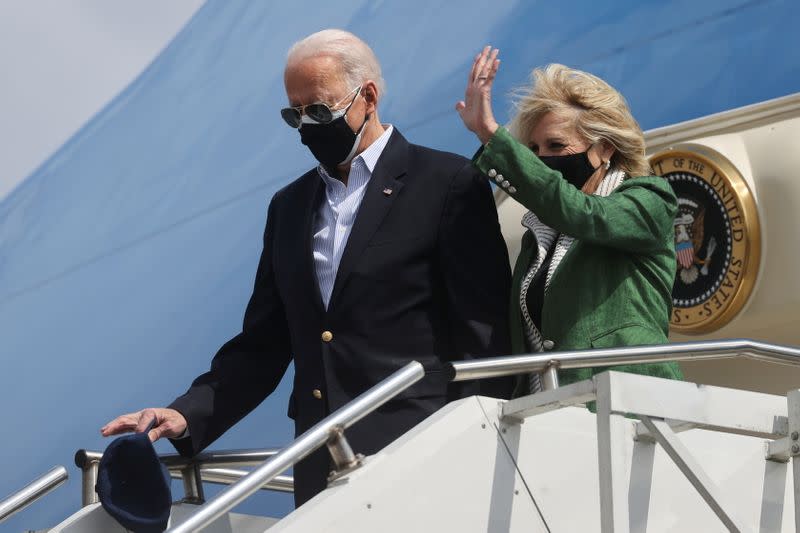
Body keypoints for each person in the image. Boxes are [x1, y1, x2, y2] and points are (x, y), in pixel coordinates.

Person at [101, 30, 512, 506]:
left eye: (318, 109)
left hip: (423, 452)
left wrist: (478, 442)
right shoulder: (289, 207)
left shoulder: (447, 183)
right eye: (293, 114)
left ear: (369, 97)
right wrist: (185, 414)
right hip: (323, 466)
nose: (306, 125)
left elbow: (483, 335)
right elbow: (264, 343)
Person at [455, 47, 682, 392]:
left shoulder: (650, 200)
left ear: (605, 148)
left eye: (556, 146)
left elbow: (586, 215)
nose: (543, 159)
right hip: (553, 418)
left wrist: (490, 134)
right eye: (534, 150)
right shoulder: (539, 237)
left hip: (633, 406)